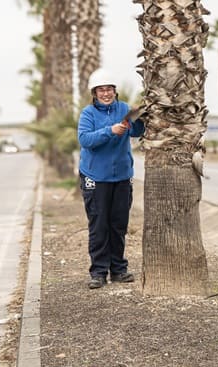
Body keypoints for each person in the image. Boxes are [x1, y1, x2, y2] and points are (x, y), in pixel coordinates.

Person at [78, 68, 145, 289]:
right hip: (95, 177)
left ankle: (118, 270)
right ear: (94, 93)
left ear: (115, 92)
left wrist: (141, 119)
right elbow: (85, 139)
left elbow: (135, 132)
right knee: (99, 226)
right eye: (101, 90)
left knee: (118, 225)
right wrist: (110, 130)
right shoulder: (88, 114)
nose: (106, 93)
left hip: (122, 177)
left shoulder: (123, 108)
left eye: (109, 89)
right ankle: (98, 272)